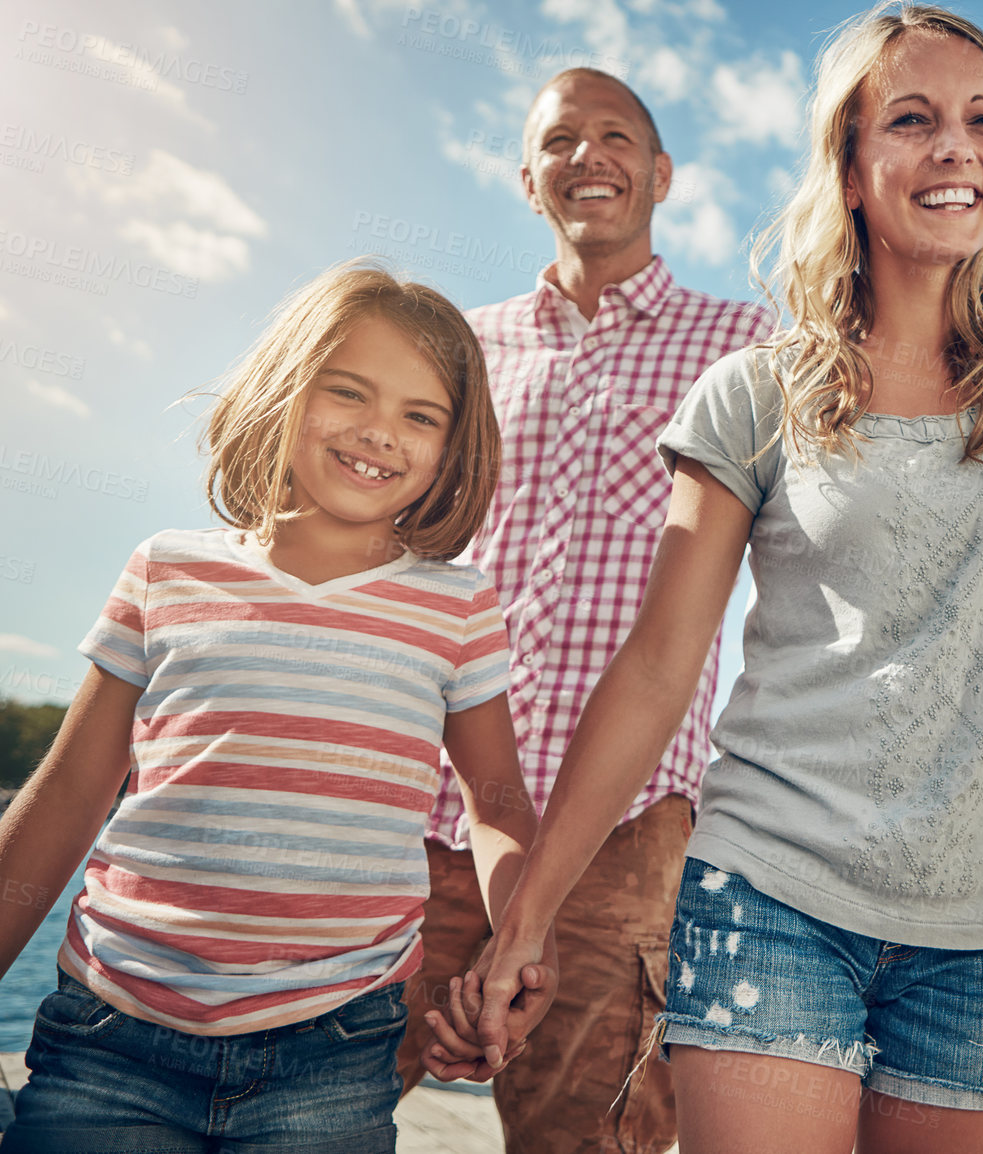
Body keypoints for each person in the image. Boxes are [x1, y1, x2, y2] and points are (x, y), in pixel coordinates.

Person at [448, 6, 983, 1152]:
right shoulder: (752, 392)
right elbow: (659, 665)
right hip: (768, 894)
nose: (957, 148)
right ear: (849, 170)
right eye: (912, 119)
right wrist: (532, 915)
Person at [0, 261, 547, 1153]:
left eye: (421, 415)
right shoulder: (166, 568)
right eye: (349, 393)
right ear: (286, 390)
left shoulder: (456, 606)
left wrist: (524, 939)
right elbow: (68, 793)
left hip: (333, 1049)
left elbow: (496, 801)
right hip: (112, 1032)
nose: (379, 432)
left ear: (456, 446)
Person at [393, 63, 774, 1153]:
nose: (586, 156)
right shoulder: (458, 346)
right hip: (424, 803)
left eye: (615, 137)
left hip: (629, 830)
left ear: (660, 173)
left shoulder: (745, 346)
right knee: (309, 1101)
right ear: (527, 177)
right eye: (561, 139)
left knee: (589, 1136)